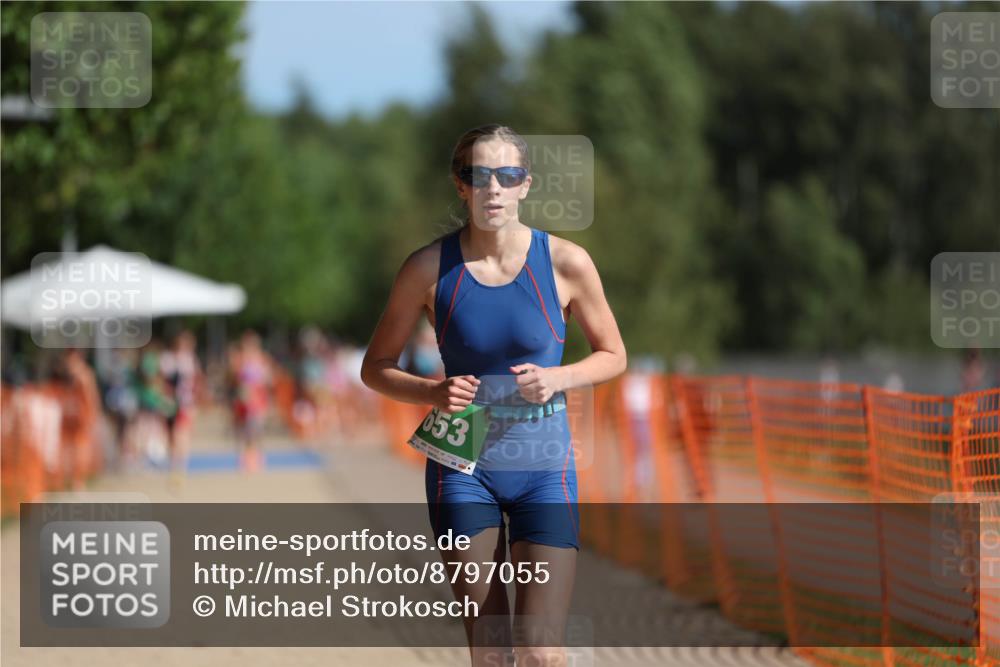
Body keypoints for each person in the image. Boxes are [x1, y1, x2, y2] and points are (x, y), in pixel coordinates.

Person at [361, 124, 627, 666]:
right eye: (479, 176)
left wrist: (559, 378)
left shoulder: (565, 263)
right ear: (461, 186)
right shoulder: (428, 269)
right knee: (493, 652)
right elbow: (375, 368)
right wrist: (432, 391)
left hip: (544, 467)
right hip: (462, 468)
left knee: (541, 653)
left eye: (507, 175)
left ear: (526, 184)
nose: (494, 188)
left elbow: (614, 355)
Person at [161, 330, 202, 485]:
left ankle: (180, 468)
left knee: (182, 434)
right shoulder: (167, 359)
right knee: (171, 436)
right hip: (170, 402)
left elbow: (197, 382)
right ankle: (173, 465)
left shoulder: (190, 360)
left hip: (185, 403)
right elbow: (162, 381)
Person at [231, 330, 273, 472]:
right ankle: (246, 458)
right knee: (244, 430)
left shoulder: (262, 358)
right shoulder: (240, 359)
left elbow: (269, 377)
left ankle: (256, 457)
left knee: (256, 428)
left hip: (258, 398)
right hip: (244, 399)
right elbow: (235, 378)